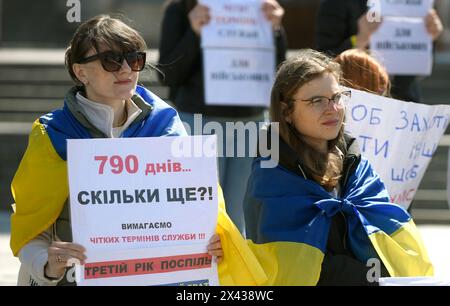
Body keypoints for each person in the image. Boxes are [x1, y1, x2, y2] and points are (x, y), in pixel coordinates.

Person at [9, 15, 235, 286]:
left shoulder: (167, 125)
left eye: (135, 58)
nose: (126, 69)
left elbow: (201, 214)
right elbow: (29, 230)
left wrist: (212, 242)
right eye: (111, 60)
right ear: (81, 72)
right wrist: (47, 265)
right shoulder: (52, 135)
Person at [243, 49, 434, 285]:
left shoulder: (356, 164)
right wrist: (369, 279)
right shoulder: (271, 177)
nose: (332, 109)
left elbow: (391, 242)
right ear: (286, 112)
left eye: (336, 97)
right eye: (316, 101)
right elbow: (288, 268)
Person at [158, 0, 287, 233]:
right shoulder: (179, 10)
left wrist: (275, 30)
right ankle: (199, 269)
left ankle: (235, 269)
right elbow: (167, 75)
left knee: (239, 216)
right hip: (198, 123)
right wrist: (195, 33)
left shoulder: (259, 9)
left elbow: (279, 72)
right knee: (200, 213)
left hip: (250, 122)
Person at [315, 0, 443, 102]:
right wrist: (359, 40)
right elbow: (324, 62)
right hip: (355, 104)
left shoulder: (416, 4)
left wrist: (428, 37)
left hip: (405, 102)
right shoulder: (335, 4)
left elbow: (420, 67)